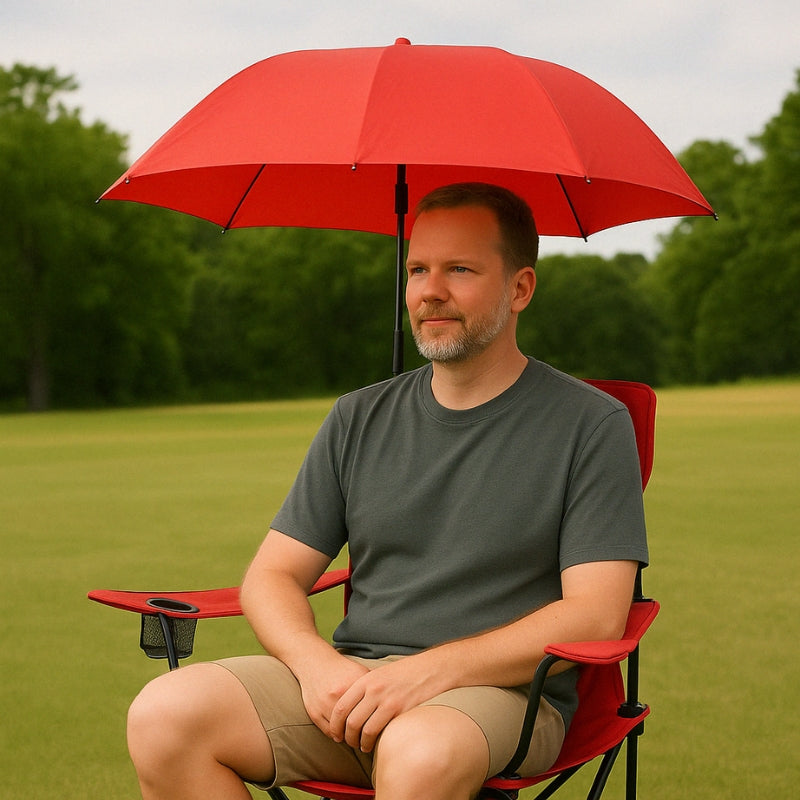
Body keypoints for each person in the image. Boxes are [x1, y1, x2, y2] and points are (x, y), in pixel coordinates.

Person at [126, 182, 648, 800]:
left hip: (502, 698)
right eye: (418, 269)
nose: (431, 291)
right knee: (165, 715)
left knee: (417, 749)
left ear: (520, 288)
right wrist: (317, 667)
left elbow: (594, 613)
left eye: (460, 269)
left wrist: (424, 675)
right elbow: (270, 578)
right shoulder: (358, 417)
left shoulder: (591, 424)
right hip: (353, 686)